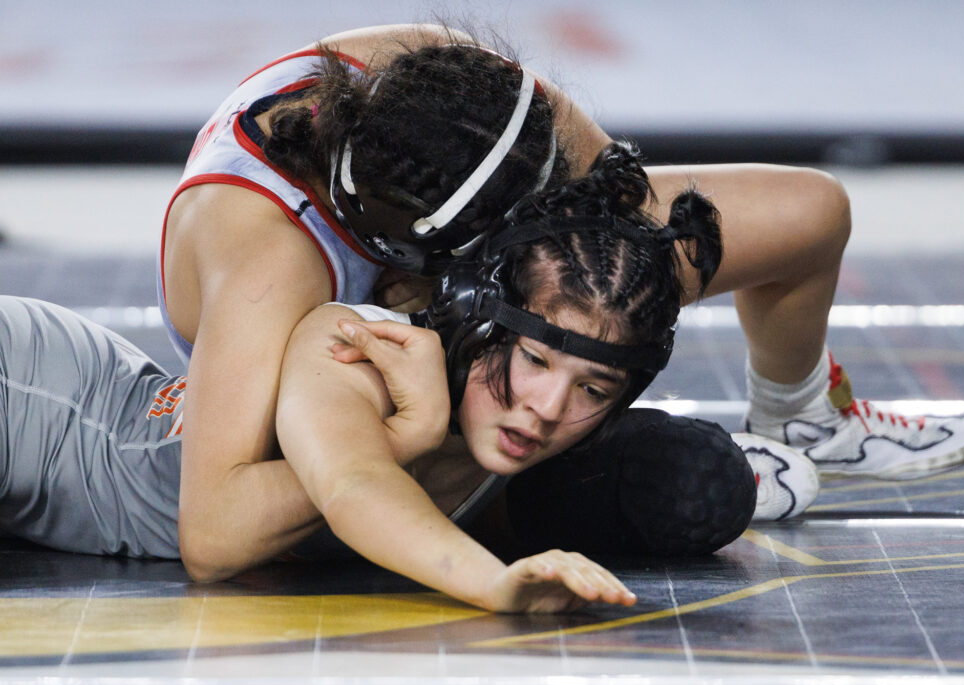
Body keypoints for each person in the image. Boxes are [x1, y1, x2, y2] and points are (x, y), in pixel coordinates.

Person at [159, 23, 964, 550]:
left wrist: (605, 286)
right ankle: (520, 484)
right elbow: (212, 529)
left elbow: (611, 197)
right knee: (484, 392)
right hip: (339, 372)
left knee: (811, 213)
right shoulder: (271, 268)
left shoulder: (458, 92)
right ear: (419, 254)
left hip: (451, 266)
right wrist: (412, 434)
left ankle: (805, 418)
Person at [0, 149, 751, 612]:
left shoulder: (511, 444)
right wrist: (490, 579)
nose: (548, 408)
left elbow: (811, 215)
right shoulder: (364, 349)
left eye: (593, 390)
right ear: (480, 316)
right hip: (29, 394)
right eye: (535, 360)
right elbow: (337, 492)